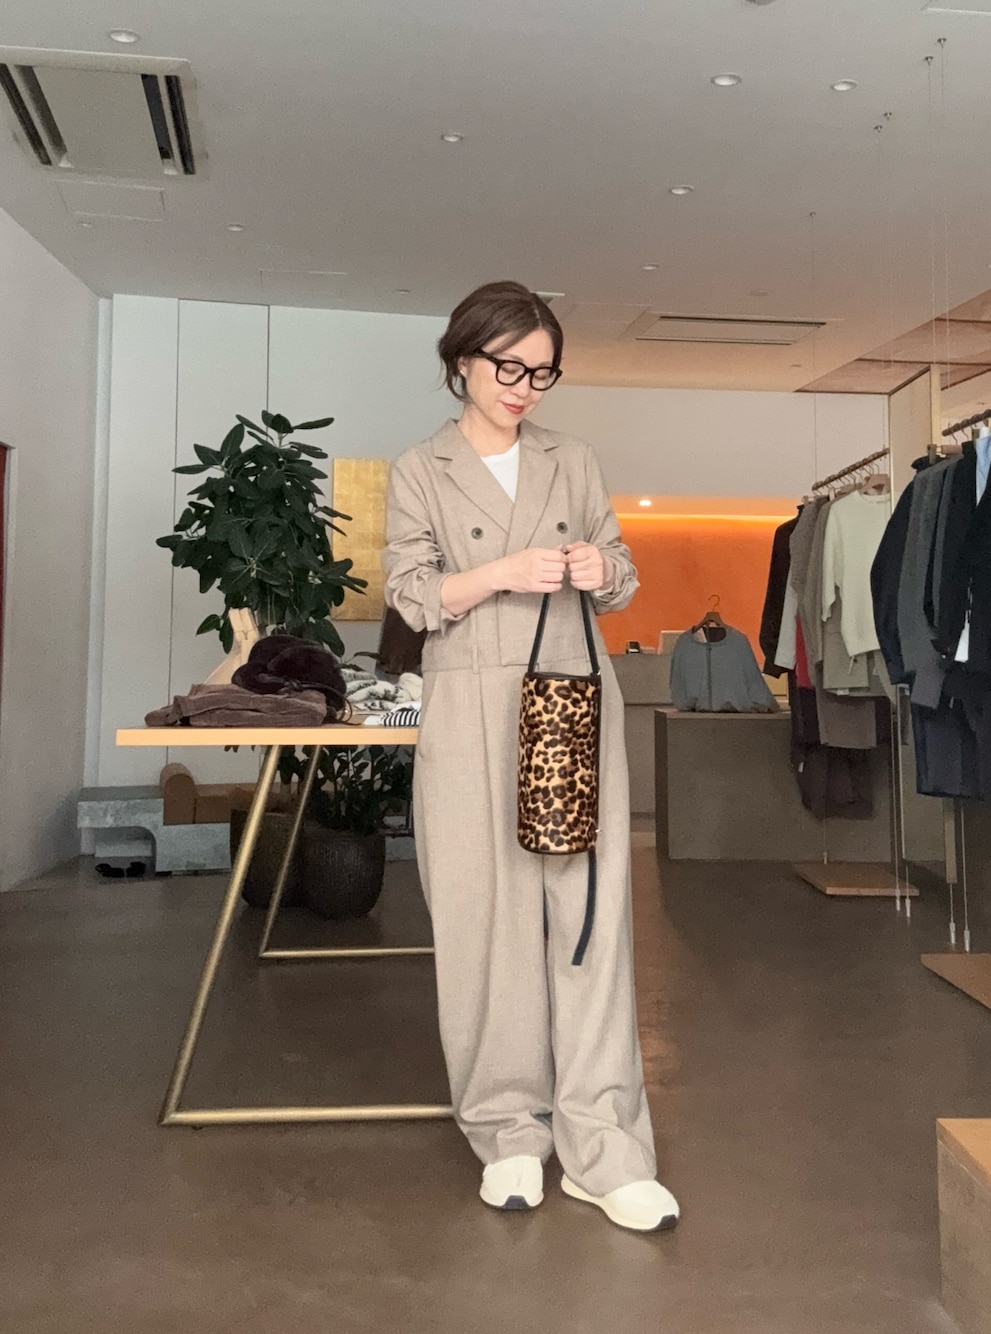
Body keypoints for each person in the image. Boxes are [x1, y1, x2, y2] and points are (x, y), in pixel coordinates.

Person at [382, 281, 679, 1232]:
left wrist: (603, 569)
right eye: (508, 367)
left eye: (542, 373)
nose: (523, 387)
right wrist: (500, 572)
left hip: (570, 697)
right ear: (462, 360)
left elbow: (621, 575)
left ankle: (606, 1145)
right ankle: (508, 1130)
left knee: (589, 916)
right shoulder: (420, 468)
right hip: (470, 703)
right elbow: (410, 593)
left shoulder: (572, 460)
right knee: (484, 919)